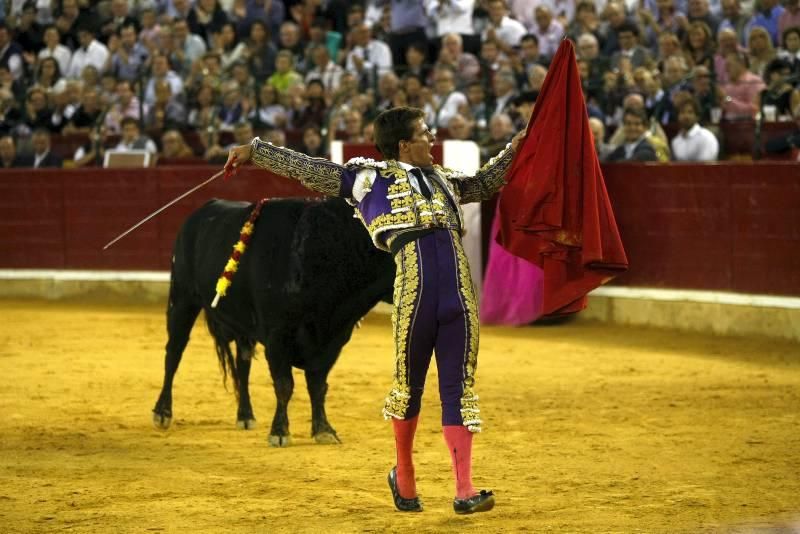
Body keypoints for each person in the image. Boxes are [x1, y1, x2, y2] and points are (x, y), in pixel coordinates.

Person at [224, 106, 526, 515]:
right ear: (404, 144)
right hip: (414, 292)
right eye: (424, 133)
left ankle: (464, 489)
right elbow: (308, 167)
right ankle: (404, 476)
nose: (432, 138)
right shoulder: (368, 179)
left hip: (458, 296)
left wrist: (517, 148)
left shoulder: (445, 180)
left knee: (459, 389)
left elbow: (486, 182)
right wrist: (256, 151)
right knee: (409, 389)